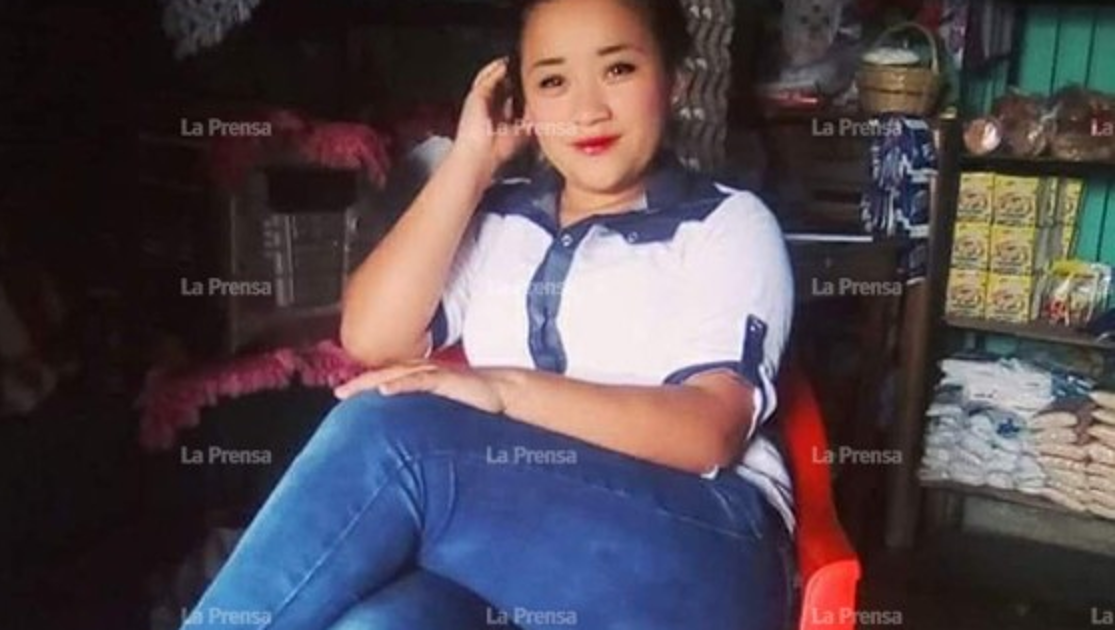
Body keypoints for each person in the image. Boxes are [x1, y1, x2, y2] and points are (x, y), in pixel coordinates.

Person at [182, 0, 796, 628]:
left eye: (618, 70)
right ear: (522, 104)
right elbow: (371, 338)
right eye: (552, 81)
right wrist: (470, 162)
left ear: (675, 81)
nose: (587, 109)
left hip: (704, 550)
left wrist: (499, 389)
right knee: (380, 624)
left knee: (400, 438)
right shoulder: (501, 218)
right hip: (518, 548)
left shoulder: (726, 223)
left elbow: (708, 432)